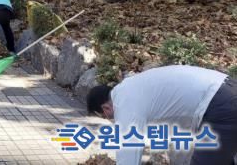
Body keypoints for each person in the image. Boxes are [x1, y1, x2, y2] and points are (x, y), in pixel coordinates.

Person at [87, 65, 237, 165]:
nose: (110, 120)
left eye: (105, 116)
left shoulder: (123, 103)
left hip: (219, 104)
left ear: (105, 108)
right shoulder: (131, 87)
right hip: (226, 88)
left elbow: (128, 153)